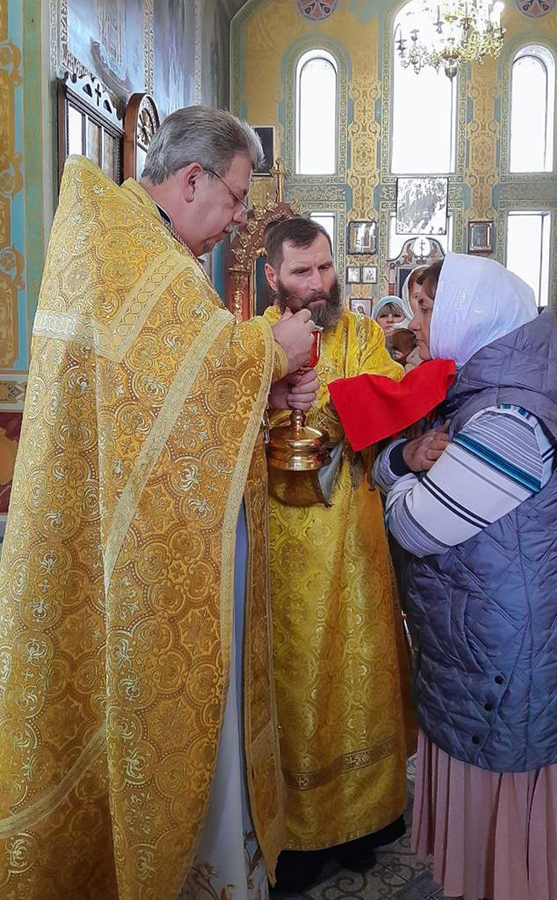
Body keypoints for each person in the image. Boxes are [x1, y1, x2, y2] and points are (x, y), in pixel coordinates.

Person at [0, 106, 320, 900]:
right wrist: (267, 353)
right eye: (238, 198)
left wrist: (266, 391)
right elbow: (188, 378)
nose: (241, 218)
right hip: (125, 546)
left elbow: (169, 401)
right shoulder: (128, 245)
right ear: (191, 179)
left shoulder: (134, 241)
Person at [374, 253, 557, 900]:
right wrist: (403, 464)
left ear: (470, 313)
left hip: (501, 659)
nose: (414, 322)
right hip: (481, 644)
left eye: (426, 307)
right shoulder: (479, 396)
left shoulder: (508, 420)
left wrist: (391, 477)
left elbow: (415, 526)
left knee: (503, 843)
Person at [262, 217, 415, 889]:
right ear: (273, 277)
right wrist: (270, 397)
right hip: (287, 551)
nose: (320, 283)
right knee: (298, 680)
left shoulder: (360, 336)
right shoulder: (253, 343)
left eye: (325, 267)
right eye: (303, 272)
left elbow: (393, 416)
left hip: (356, 544)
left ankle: (367, 819)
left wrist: (370, 411)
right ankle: (298, 834)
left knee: (364, 672)